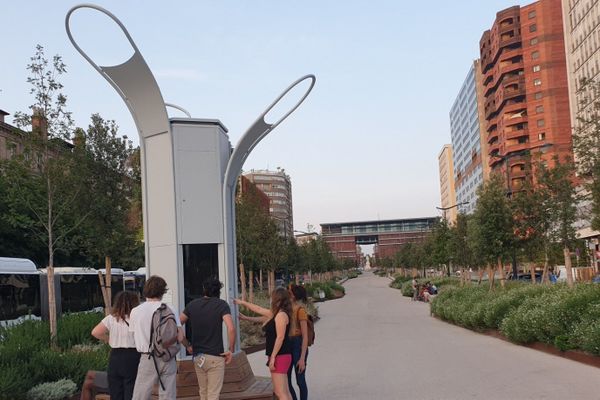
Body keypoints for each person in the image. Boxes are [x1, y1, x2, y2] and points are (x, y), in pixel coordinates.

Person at [180, 278, 236, 400]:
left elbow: (176, 326)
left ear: (204, 290)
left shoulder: (192, 305)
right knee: (213, 395)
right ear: (218, 292)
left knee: (203, 393)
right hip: (215, 356)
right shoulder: (222, 305)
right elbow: (231, 328)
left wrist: (187, 345)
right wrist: (231, 350)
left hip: (198, 356)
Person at [130, 275, 184, 400]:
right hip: (168, 356)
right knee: (168, 395)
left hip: (147, 357)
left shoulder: (136, 311)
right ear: (163, 291)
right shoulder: (170, 309)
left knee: (141, 395)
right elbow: (180, 337)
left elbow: (133, 336)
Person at [235, 288, 293, 400]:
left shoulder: (281, 315)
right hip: (281, 355)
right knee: (284, 391)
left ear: (278, 299)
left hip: (280, 356)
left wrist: (273, 358)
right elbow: (258, 310)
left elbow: (280, 338)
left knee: (280, 392)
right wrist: (245, 314)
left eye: (272, 297)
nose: (271, 299)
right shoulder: (277, 313)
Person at [91, 291, 141, 400]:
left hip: (115, 356)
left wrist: (109, 339)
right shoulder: (137, 319)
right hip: (133, 355)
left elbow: (95, 332)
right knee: (131, 389)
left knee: (115, 391)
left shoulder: (111, 318)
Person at [287, 284, 309, 400]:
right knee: (286, 380)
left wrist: (302, 358)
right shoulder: (286, 310)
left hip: (298, 345)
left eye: (289, 292)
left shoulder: (300, 311)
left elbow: (305, 336)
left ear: (294, 296)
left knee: (300, 381)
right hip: (288, 345)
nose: (287, 294)